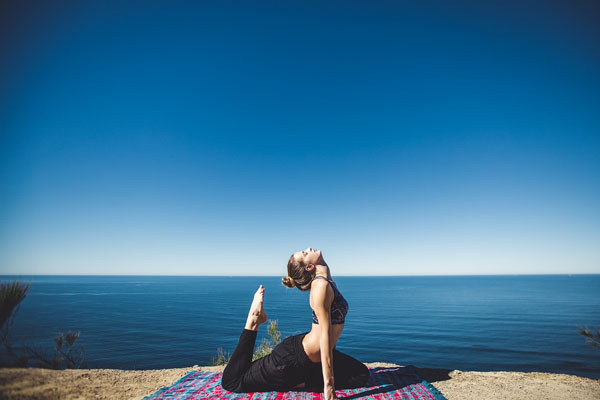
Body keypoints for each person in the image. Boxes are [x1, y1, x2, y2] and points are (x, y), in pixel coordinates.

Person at [220, 247, 370, 400]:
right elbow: (325, 338)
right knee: (233, 381)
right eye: (305, 253)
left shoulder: (326, 281)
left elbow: (330, 337)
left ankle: (299, 380)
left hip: (311, 358)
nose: (308, 249)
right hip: (291, 359)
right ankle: (253, 321)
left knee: (361, 374)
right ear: (309, 267)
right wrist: (329, 389)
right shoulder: (320, 287)